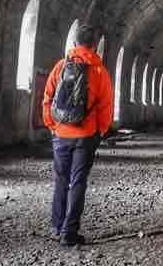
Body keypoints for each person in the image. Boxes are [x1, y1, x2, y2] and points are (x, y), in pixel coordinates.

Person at [42, 23, 113, 247]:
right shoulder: (99, 71)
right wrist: (100, 131)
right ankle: (69, 233)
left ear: (74, 43)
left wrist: (52, 125)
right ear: (94, 46)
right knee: (78, 181)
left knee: (61, 179)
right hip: (86, 134)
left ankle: (57, 223)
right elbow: (106, 107)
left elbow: (48, 97)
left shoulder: (61, 66)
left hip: (61, 133)